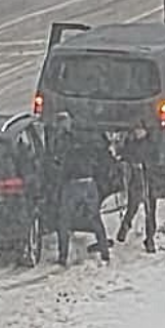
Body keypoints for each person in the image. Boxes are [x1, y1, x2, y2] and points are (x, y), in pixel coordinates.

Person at [48, 112, 111, 266]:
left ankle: (63, 257)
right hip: (88, 181)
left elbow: (59, 162)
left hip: (74, 183)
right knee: (93, 218)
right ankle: (104, 253)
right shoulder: (84, 138)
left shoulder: (64, 141)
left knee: (64, 219)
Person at [115, 122, 158, 253]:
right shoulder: (131, 144)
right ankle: (124, 228)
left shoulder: (150, 144)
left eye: (140, 130)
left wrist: (146, 166)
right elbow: (125, 155)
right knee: (132, 205)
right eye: (136, 130)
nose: (138, 133)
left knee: (150, 210)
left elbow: (155, 159)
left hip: (148, 180)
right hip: (136, 179)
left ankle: (150, 238)